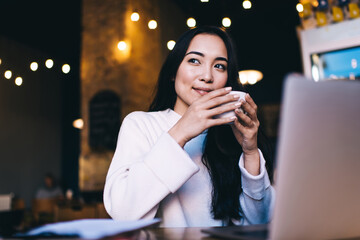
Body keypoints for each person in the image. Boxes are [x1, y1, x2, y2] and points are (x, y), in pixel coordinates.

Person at [104, 26, 275, 227]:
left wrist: (250, 151)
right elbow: (123, 212)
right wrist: (181, 131)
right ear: (172, 73)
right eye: (194, 60)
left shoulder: (231, 134)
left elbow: (260, 221)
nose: (207, 76)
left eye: (219, 66)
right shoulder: (141, 125)